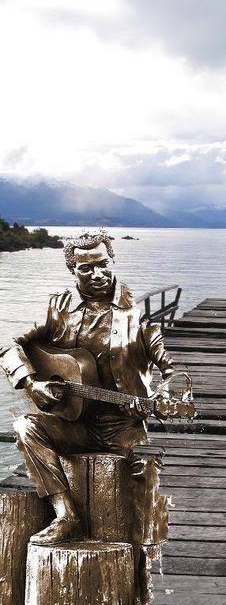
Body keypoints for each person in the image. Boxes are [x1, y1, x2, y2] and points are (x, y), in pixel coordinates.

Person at [0, 230, 174, 547]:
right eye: (86, 268)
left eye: (103, 264)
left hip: (124, 431)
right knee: (25, 426)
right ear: (73, 270)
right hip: (74, 425)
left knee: (140, 515)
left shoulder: (137, 316)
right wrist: (31, 382)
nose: (97, 274)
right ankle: (65, 516)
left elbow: (171, 369)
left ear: (112, 260)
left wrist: (164, 393)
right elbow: (8, 345)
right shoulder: (57, 309)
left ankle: (142, 573)